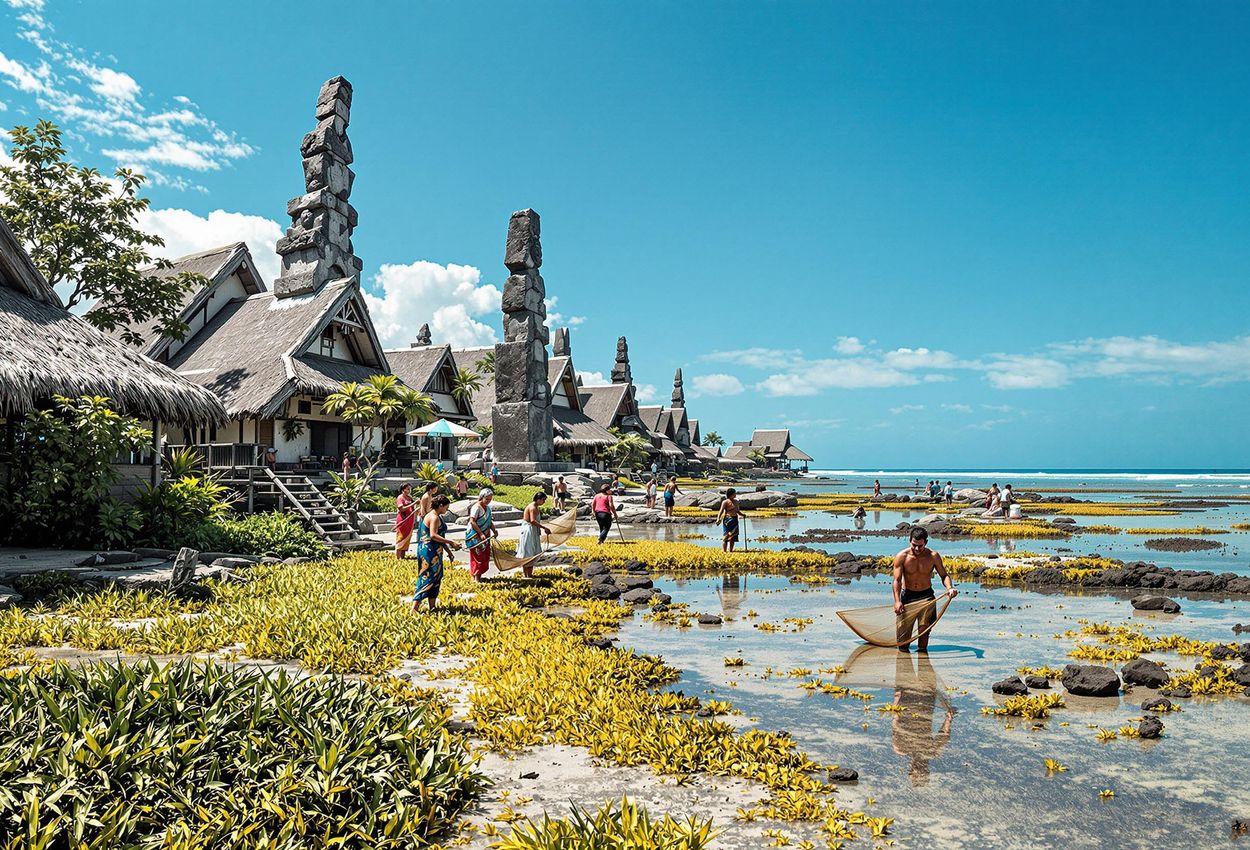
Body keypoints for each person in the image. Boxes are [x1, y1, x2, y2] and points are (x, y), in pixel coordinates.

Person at [892, 526, 956, 653]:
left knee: (924, 633)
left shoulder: (933, 556)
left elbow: (944, 575)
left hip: (926, 597)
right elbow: (897, 581)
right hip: (908, 597)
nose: (916, 549)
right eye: (914, 545)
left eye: (920, 546)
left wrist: (950, 588)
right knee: (902, 643)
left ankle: (923, 666)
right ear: (910, 541)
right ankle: (904, 669)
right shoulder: (902, 556)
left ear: (926, 542)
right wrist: (897, 601)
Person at [413, 495, 460, 611]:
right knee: (427, 577)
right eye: (446, 507)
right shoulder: (434, 517)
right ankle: (414, 608)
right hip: (429, 551)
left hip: (434, 550)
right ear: (440, 506)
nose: (447, 510)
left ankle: (432, 606)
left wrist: (448, 550)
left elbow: (439, 536)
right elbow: (433, 535)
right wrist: (451, 542)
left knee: (437, 576)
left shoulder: (435, 515)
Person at [517, 492, 551, 578]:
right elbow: (532, 520)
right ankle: (527, 575)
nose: (544, 502)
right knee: (528, 551)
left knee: (531, 551)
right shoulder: (532, 507)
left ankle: (529, 574)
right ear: (538, 499)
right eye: (543, 500)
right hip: (529, 530)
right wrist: (544, 528)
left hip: (531, 530)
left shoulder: (535, 506)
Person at [465, 488, 497, 581]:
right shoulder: (476, 507)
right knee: (477, 556)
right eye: (486, 499)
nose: (488, 501)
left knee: (484, 555)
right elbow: (472, 521)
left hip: (485, 534)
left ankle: (479, 576)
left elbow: (489, 521)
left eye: (490, 499)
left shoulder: (488, 508)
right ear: (481, 497)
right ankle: (476, 578)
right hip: (475, 535)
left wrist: (494, 531)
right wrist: (480, 533)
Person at [394, 483, 417, 560]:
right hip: (402, 521)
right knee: (400, 538)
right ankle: (398, 558)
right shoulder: (400, 498)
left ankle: (402, 557)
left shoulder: (409, 498)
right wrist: (413, 503)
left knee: (407, 539)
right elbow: (401, 508)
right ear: (403, 489)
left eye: (410, 489)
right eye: (407, 489)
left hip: (409, 522)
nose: (409, 490)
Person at [717, 488, 741, 553]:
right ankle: (724, 551)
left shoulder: (736, 501)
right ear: (731, 494)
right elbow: (721, 511)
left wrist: (742, 515)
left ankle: (731, 551)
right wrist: (718, 518)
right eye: (735, 493)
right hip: (727, 520)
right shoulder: (725, 502)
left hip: (735, 519)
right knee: (726, 536)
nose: (736, 494)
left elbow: (737, 511)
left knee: (733, 536)